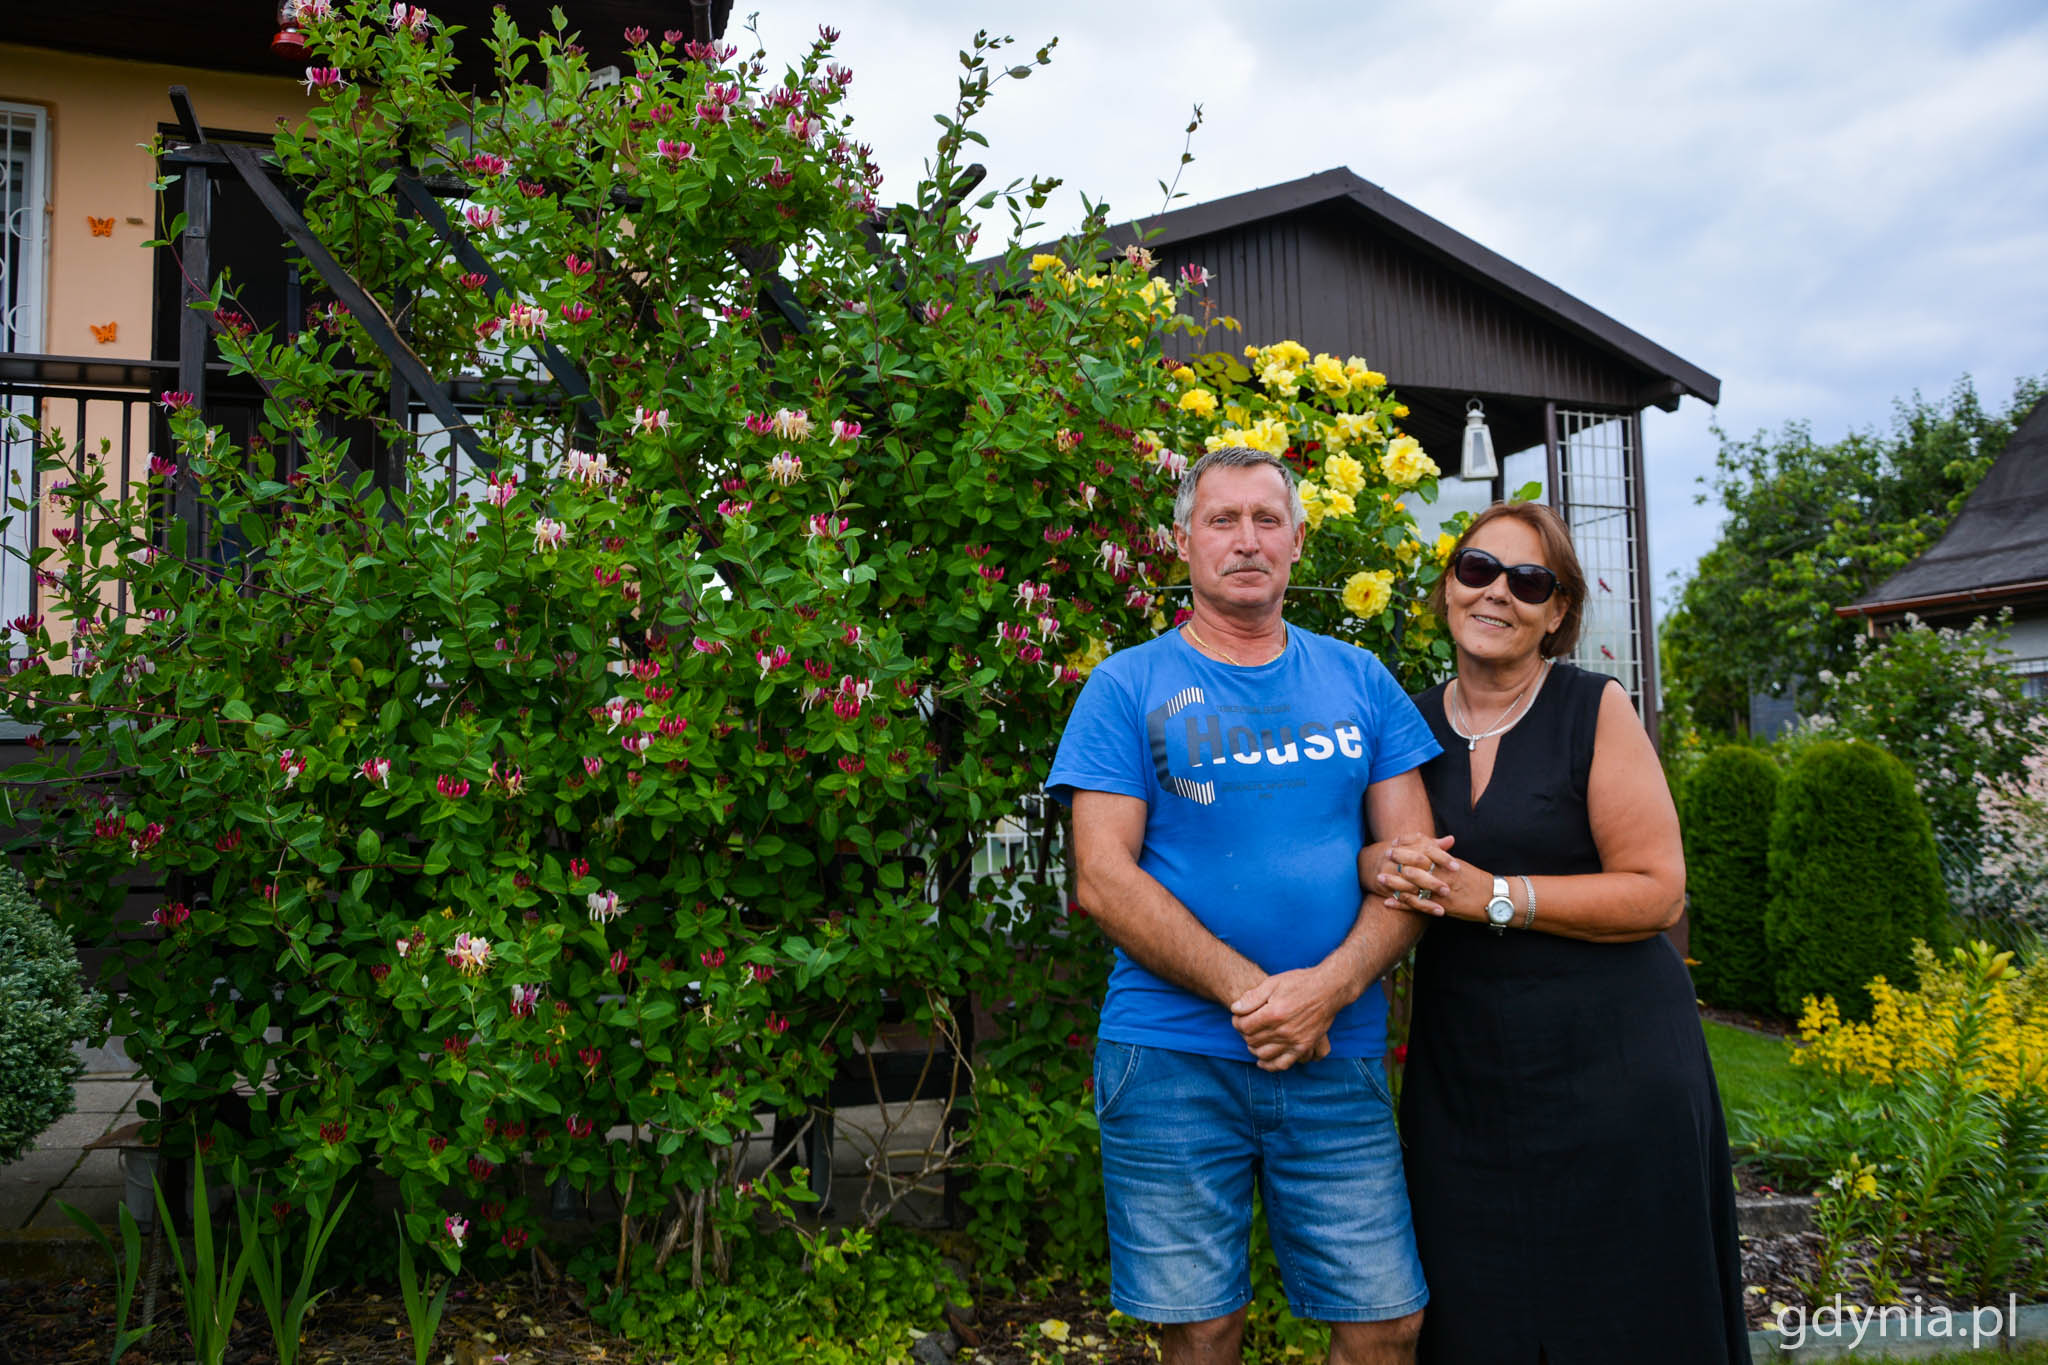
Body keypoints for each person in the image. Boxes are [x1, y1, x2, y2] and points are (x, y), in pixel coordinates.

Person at [1048, 446, 1442, 1365]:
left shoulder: (1362, 679)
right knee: (1200, 1329)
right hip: (1171, 1055)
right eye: (1222, 520)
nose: (1246, 540)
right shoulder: (1126, 686)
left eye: (1267, 520)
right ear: (1183, 542)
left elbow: (1415, 873)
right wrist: (1258, 995)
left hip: (1336, 1054)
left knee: (1387, 1327)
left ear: (1299, 543)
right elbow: (1102, 878)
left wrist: (1327, 992)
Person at [1371, 501, 1751, 1365]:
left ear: (1558, 612)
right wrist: (1380, 867)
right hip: (1466, 1079)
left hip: (1615, 1069)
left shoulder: (1593, 707)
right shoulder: (1408, 724)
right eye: (1477, 569)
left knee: (1624, 1315)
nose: (1497, 592)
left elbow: (1658, 893)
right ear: (1447, 587)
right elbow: (1374, 853)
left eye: (1528, 580)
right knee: (1476, 1310)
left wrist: (1497, 896)